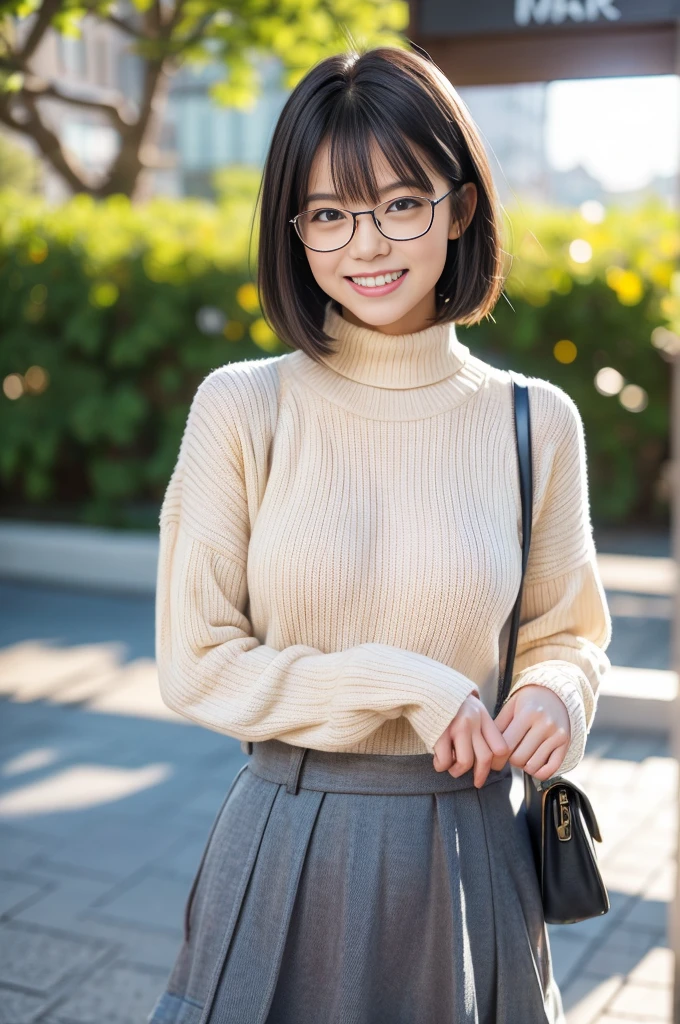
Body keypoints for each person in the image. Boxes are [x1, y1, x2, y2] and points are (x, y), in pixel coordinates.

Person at [147, 44, 612, 1024]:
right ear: (293, 227)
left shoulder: (535, 420)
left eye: (400, 202)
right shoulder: (242, 407)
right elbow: (196, 660)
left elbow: (567, 630)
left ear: (460, 206)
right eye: (327, 213)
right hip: (285, 836)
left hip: (469, 844)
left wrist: (552, 695)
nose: (366, 244)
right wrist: (408, 683)